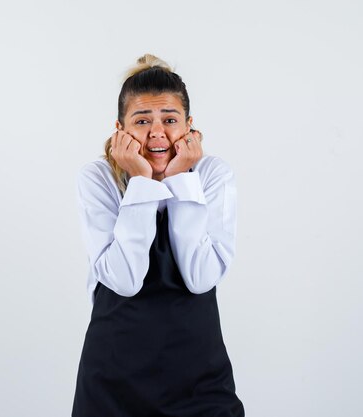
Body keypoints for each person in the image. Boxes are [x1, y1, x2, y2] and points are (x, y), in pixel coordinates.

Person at [71, 54, 245, 416]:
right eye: (142, 120)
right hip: (113, 379)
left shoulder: (212, 175)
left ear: (189, 126)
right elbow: (124, 279)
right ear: (120, 129)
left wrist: (182, 179)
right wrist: (141, 182)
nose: (157, 133)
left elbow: (200, 278)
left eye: (170, 119)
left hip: (200, 379)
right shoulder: (98, 178)